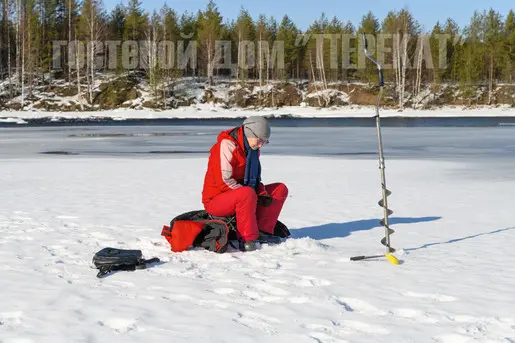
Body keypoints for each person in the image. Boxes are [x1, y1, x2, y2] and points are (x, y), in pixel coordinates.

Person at [202, 116, 288, 252]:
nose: (260, 145)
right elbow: (224, 181)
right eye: (260, 140)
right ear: (249, 133)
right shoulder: (226, 146)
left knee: (280, 189)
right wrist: (250, 194)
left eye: (264, 142)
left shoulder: (251, 149)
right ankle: (248, 238)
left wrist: (261, 193)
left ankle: (262, 231)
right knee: (247, 193)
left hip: (241, 195)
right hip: (216, 200)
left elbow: (255, 180)